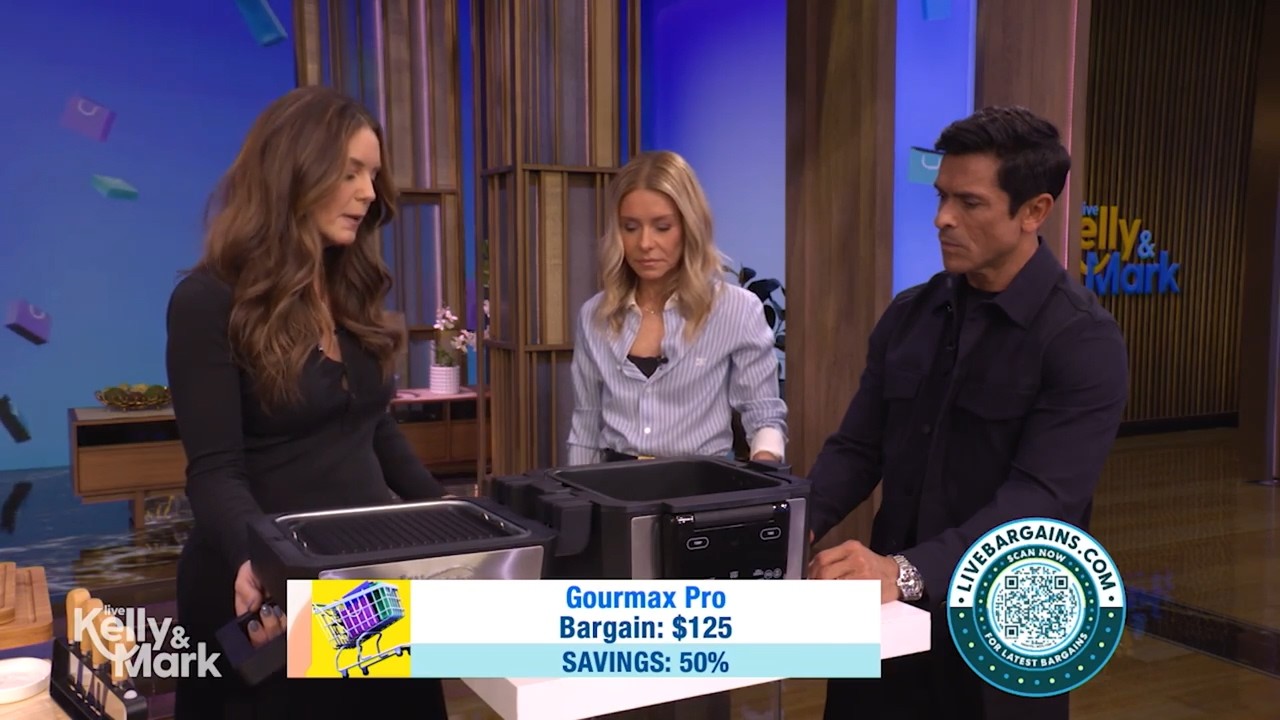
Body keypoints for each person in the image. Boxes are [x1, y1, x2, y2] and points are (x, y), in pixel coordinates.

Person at [804, 106, 1128, 720]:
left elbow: (1039, 503)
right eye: (942, 196)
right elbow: (857, 448)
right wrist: (795, 524)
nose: (942, 218)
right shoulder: (910, 314)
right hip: (889, 618)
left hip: (1006, 627)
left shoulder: (1082, 341)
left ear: (1034, 211)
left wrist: (904, 571)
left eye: (969, 202)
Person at [165, 85, 450, 719]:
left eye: (372, 174)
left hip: (369, 583)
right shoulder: (207, 302)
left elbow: (372, 429)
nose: (369, 192)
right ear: (293, 172)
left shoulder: (347, 288)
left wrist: (451, 519)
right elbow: (214, 471)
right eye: (350, 172)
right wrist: (256, 558)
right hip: (266, 591)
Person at [566, 150, 788, 466]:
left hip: (701, 484)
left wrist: (764, 472)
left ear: (689, 227)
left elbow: (764, 415)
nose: (645, 243)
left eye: (662, 227)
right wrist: (574, 492)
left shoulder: (736, 310)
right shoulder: (595, 315)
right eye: (631, 227)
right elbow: (585, 426)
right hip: (613, 485)